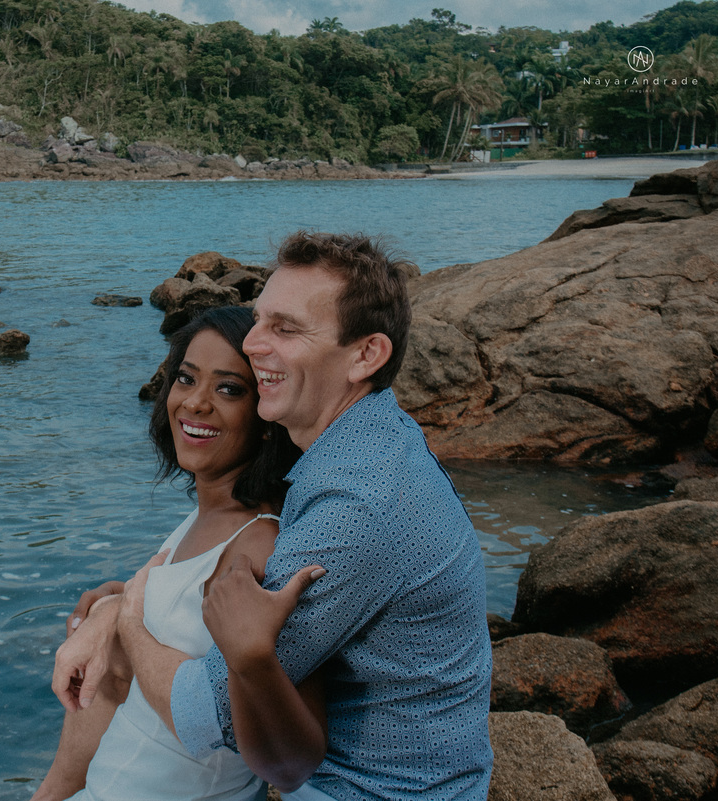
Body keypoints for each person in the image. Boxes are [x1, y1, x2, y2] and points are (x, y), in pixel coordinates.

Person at [84, 232, 494, 800]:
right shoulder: (374, 439)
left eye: (285, 328)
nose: (252, 344)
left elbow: (215, 716)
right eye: (258, 320)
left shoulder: (357, 505)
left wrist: (127, 619)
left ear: (366, 355)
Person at [31, 306, 323, 801]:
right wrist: (111, 609)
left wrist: (122, 623)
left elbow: (254, 728)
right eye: (186, 379)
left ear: (267, 415)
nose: (196, 403)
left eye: (229, 389)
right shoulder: (208, 516)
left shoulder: (257, 545)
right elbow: (176, 620)